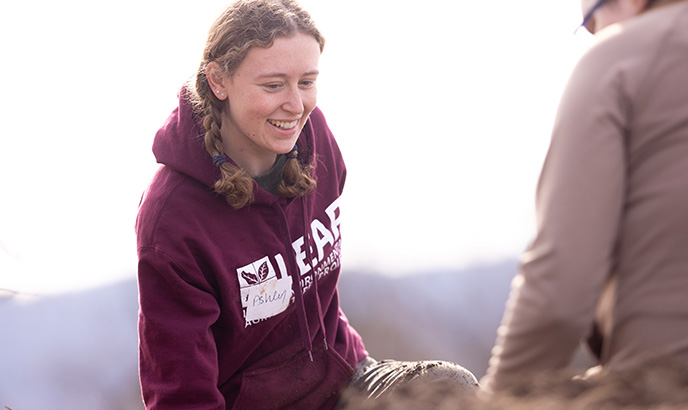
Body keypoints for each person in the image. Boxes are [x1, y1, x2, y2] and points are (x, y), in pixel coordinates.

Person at [135, 1, 477, 408]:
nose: (296, 106)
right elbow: (180, 396)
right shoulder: (172, 219)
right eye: (273, 85)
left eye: (307, 82)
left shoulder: (314, 137)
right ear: (218, 80)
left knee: (449, 387)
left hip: (348, 380)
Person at [481, 0, 688, 393]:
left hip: (677, 395)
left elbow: (557, 296)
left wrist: (495, 399)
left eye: (591, 22)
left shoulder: (617, 59)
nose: (595, 35)